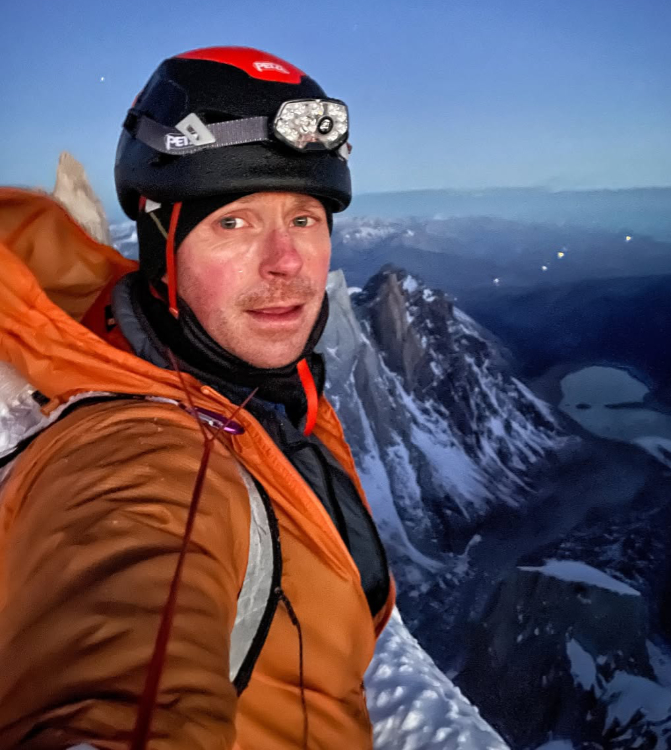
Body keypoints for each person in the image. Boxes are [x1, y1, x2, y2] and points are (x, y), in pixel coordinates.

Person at [0, 46, 395, 750]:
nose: (286, 262)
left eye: (304, 218)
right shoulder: (146, 456)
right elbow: (123, 647)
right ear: (160, 245)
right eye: (233, 222)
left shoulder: (266, 387)